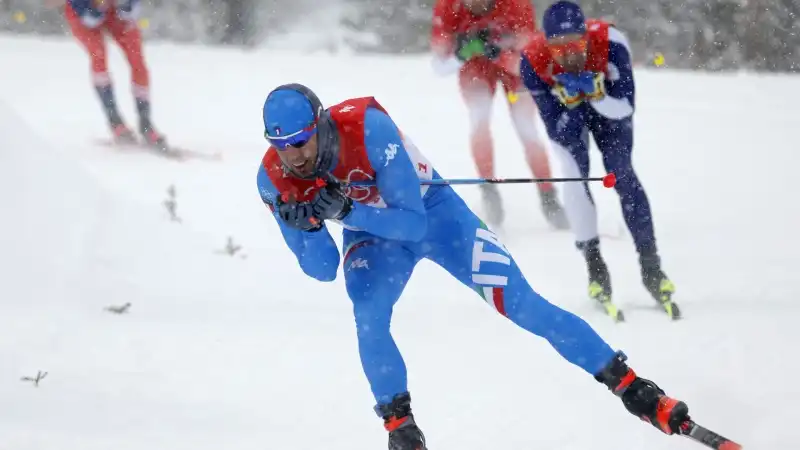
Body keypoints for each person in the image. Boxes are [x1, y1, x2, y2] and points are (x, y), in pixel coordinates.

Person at [255, 83, 692, 450]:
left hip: (435, 215)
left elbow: (412, 223)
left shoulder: (368, 129)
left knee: (521, 304)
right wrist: (309, 226)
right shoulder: (273, 179)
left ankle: (633, 387)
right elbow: (323, 269)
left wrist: (348, 211)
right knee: (368, 317)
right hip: (372, 235)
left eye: (301, 140)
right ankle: (401, 429)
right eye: (280, 146)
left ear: (320, 125)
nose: (293, 156)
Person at [519, 1, 678, 321]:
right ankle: (595, 268)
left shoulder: (612, 44)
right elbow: (558, 131)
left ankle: (651, 268)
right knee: (575, 178)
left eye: (575, 44)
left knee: (623, 175)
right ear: (546, 44)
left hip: (610, 111)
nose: (567, 54)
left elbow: (624, 108)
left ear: (587, 38)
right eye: (557, 47)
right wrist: (573, 104)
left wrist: (598, 95)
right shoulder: (532, 62)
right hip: (570, 117)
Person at [430, 0, 568, 229]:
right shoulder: (448, 7)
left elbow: (530, 64)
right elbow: (438, 65)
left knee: (526, 127)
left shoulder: (516, 5)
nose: (476, 5)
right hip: (474, 68)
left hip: (513, 68)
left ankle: (548, 196)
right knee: (479, 120)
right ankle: (489, 191)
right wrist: (461, 55)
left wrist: (499, 54)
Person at [64, 0, 166, 149]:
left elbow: (131, 9)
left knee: (137, 60)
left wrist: (124, 6)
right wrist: (98, 7)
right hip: (84, 11)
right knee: (98, 55)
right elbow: (88, 18)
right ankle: (115, 121)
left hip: (115, 12)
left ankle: (146, 124)